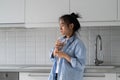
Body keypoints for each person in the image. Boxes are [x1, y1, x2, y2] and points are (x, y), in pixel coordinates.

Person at [48, 13, 86, 80]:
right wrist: (55, 51)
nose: (60, 28)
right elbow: (52, 58)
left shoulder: (78, 44)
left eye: (62, 25)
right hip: (56, 76)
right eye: (59, 25)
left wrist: (65, 56)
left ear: (71, 26)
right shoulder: (60, 40)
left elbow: (80, 66)